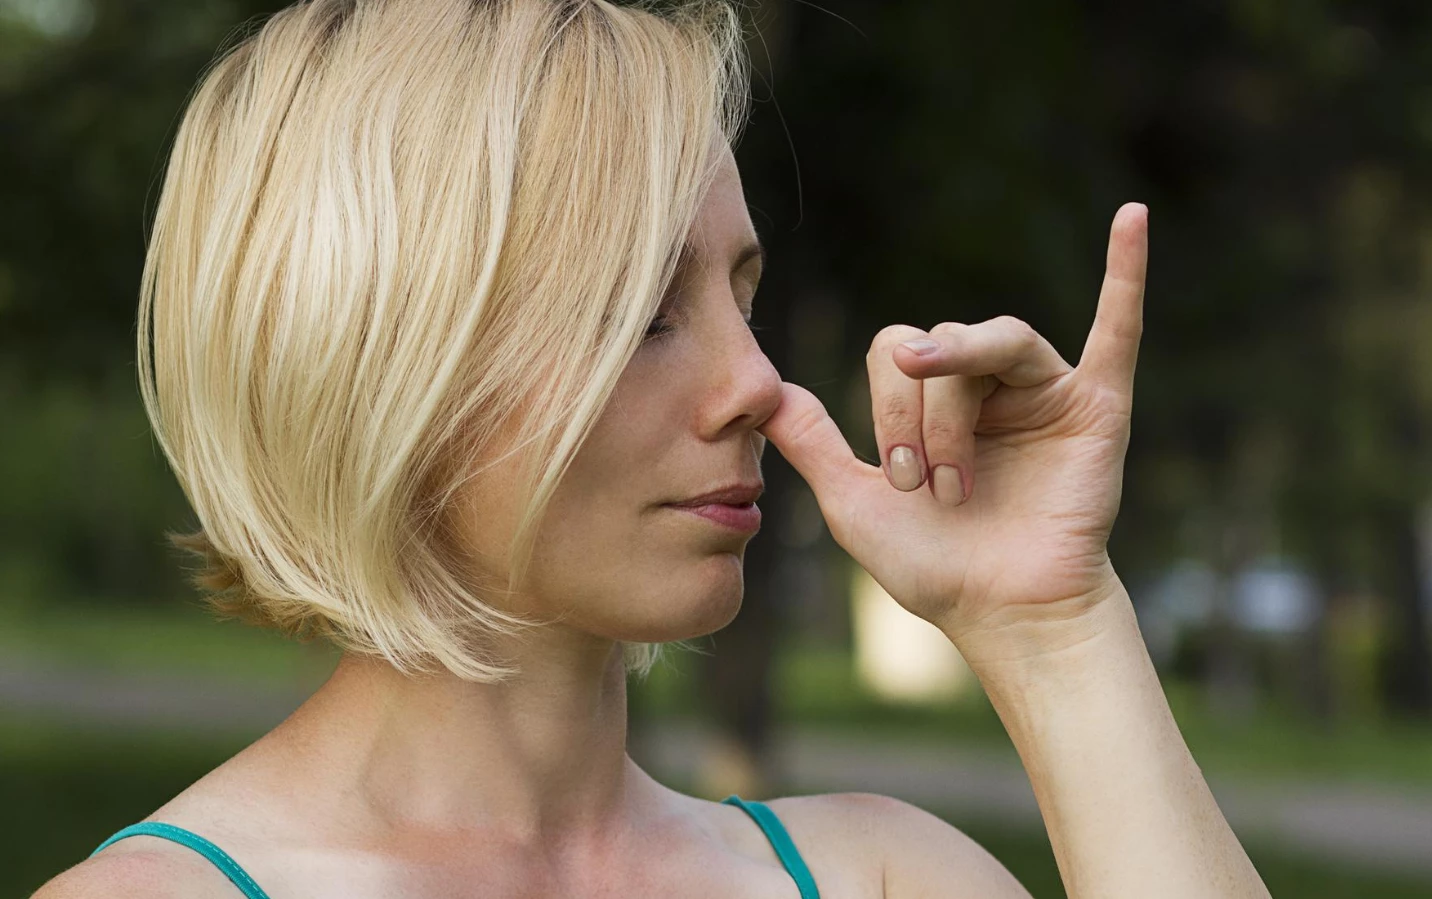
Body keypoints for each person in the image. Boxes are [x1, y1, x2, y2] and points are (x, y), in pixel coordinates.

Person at [33, 0, 1271, 896]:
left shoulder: (880, 875)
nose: (754, 380)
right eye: (638, 312)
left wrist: (1053, 628)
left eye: (743, 291)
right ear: (374, 356)